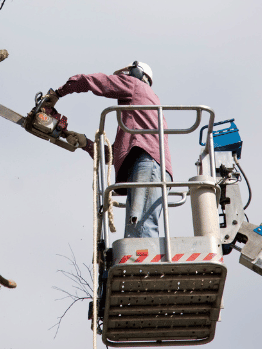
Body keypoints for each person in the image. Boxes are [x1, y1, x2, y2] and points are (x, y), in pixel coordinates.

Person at [45, 61, 172, 238]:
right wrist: (85, 143)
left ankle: (144, 265)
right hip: (151, 166)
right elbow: (111, 155)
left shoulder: (135, 86)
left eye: (127, 75)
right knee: (137, 230)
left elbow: (96, 81)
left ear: (137, 74)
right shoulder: (137, 117)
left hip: (147, 163)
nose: (123, 79)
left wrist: (59, 93)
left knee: (141, 228)